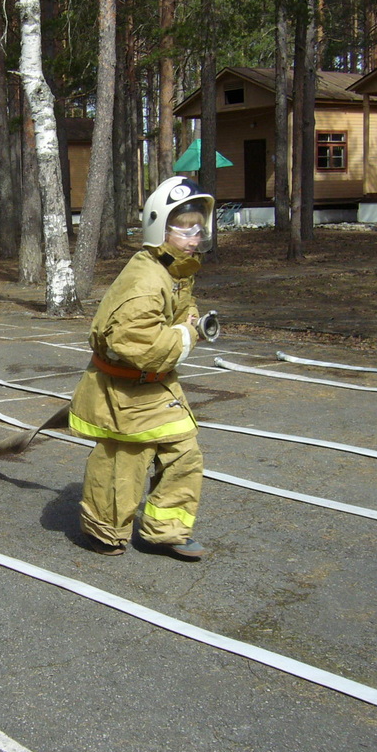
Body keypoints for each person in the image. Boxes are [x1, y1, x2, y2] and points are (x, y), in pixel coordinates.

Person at [68, 176, 214, 560]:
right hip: (124, 391)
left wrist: (187, 326)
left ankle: (164, 531)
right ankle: (104, 532)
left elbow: (184, 311)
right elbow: (139, 345)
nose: (195, 236)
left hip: (155, 386)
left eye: (199, 227)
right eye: (185, 228)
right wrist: (187, 336)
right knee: (123, 466)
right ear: (159, 228)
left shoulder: (174, 269)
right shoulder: (147, 280)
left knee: (184, 453)